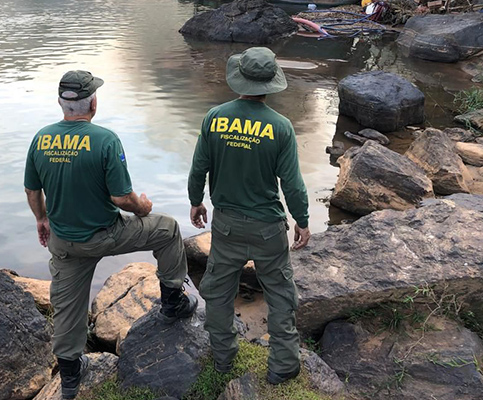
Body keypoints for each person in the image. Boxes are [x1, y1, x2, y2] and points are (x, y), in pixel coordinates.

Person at [24, 71, 198, 400]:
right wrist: (143, 208)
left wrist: (41, 219)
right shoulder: (105, 140)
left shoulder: (41, 138)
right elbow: (122, 198)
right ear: (93, 102)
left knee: (67, 305)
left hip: (65, 242)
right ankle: (173, 302)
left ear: (61, 104)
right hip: (107, 234)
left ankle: (71, 376)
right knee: (168, 229)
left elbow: (32, 188)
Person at [187, 47, 311, 385]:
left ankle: (224, 358)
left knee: (218, 290)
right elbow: (293, 183)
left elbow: (199, 168)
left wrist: (196, 201)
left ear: (238, 79)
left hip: (226, 224)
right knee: (280, 293)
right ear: (271, 84)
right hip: (269, 228)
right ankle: (283, 364)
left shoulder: (215, 117)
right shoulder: (281, 127)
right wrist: (301, 219)